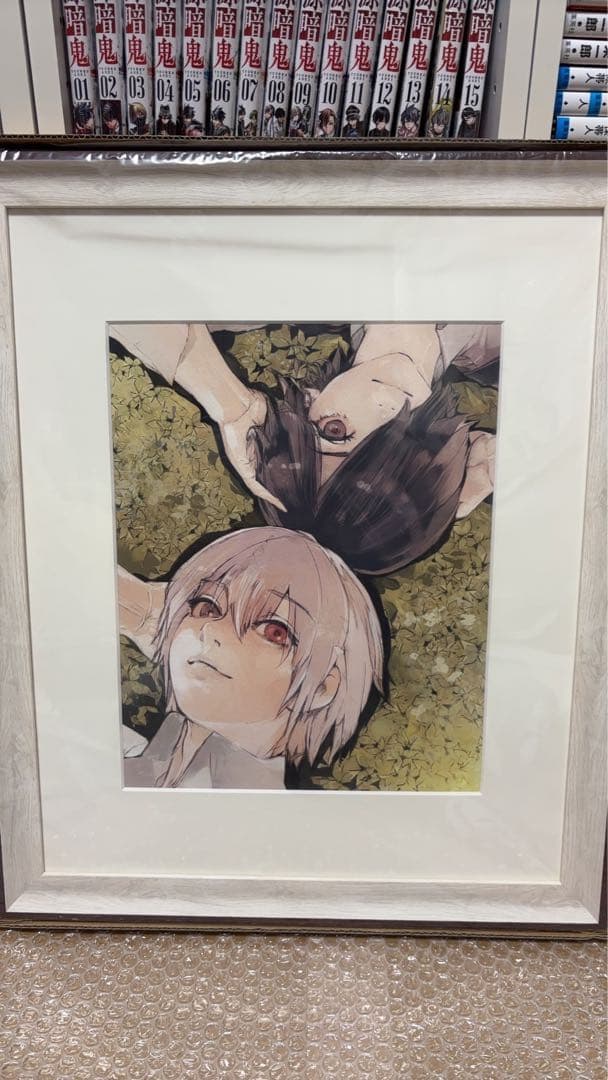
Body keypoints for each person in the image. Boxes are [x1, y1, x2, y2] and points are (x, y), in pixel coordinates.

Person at [110, 321, 498, 576]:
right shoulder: (505, 346)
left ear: (310, 400)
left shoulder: (279, 287)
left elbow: (108, 278)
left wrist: (231, 405)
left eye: (335, 430)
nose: (386, 408)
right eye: (398, 459)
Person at [119, 528, 384, 789]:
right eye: (207, 607)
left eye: (274, 631)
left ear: (322, 686)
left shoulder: (244, 805)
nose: (211, 630)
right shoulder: (134, 762)